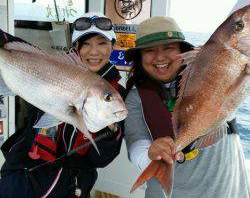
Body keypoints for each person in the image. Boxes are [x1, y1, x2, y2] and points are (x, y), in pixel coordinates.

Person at [0, 12, 125, 198]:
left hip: (70, 187)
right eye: (86, 44)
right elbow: (27, 51)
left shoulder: (117, 96)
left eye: (102, 43)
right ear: (76, 47)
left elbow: (101, 159)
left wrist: (110, 133)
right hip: (22, 173)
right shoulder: (54, 64)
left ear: (112, 46)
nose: (94, 52)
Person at [124, 16, 250, 198]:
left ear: (182, 50)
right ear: (140, 57)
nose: (160, 57)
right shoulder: (135, 98)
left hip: (225, 189)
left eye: (168, 47)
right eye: (149, 50)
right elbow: (136, 143)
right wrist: (149, 155)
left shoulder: (211, 69)